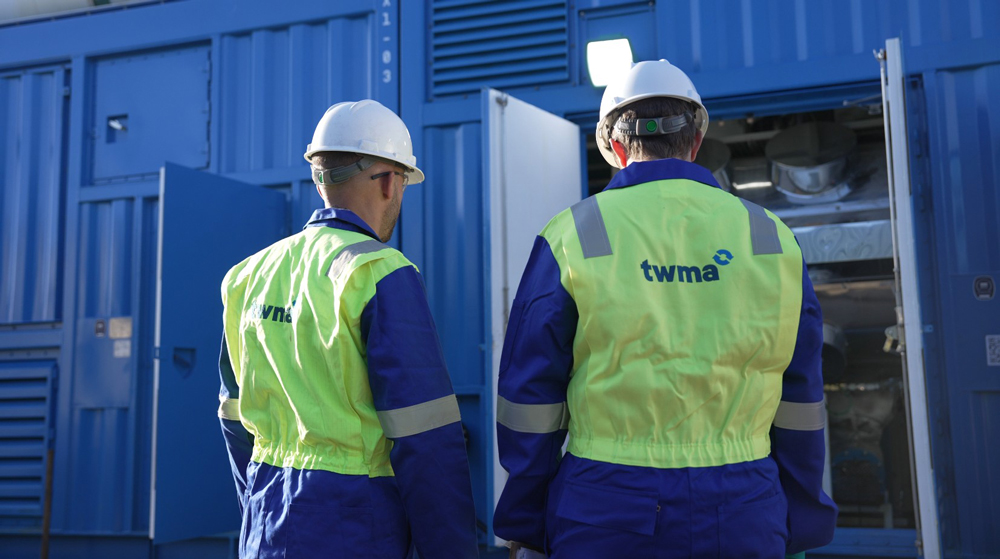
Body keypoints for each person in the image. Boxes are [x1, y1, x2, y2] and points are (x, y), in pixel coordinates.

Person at [493, 60, 837, 558]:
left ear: (614, 148)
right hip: (745, 508)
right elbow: (801, 397)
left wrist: (526, 523)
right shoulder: (770, 236)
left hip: (605, 509)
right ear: (695, 141)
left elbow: (530, 396)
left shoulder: (573, 233)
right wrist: (799, 520)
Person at [217, 99, 479, 559]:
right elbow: (425, 438)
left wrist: (260, 505)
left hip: (265, 522)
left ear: (319, 178)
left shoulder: (247, 275)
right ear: (390, 181)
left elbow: (234, 417)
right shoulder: (380, 272)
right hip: (354, 525)